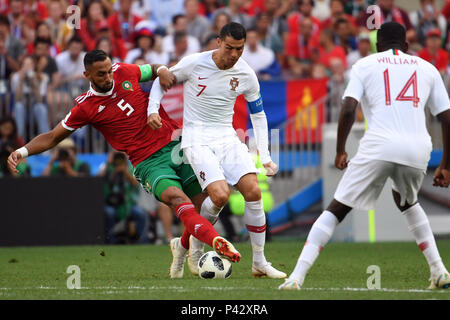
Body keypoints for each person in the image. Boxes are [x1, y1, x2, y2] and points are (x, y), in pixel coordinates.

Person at [7, 50, 241, 279]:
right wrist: (21, 151)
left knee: (203, 207)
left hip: (176, 145)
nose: (108, 77)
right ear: (87, 75)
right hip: (147, 162)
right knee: (176, 199)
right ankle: (217, 242)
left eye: (109, 71)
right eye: (101, 74)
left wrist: (162, 71)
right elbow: (52, 136)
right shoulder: (85, 107)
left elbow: (154, 68)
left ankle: (181, 248)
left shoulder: (123, 71)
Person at [279, 22, 450, 290]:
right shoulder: (427, 68)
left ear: (377, 46)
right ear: (406, 47)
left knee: (337, 208)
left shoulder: (365, 64)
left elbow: (348, 108)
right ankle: (439, 270)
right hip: (418, 149)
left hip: (379, 145)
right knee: (407, 201)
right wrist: (446, 165)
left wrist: (340, 149)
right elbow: (446, 118)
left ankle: (296, 277)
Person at [148, 22, 286, 279]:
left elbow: (258, 113)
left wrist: (265, 155)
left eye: (240, 49)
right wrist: (152, 109)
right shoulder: (195, 63)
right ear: (219, 42)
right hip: (196, 139)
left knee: (253, 191)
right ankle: (195, 247)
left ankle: (259, 262)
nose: (234, 55)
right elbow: (161, 80)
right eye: (230, 48)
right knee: (220, 195)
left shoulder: (246, 73)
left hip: (228, 137)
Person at [99, 151, 148, 244]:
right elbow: (98, 179)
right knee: (109, 213)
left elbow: (136, 184)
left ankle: (142, 242)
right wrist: (108, 164)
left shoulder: (129, 168)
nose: (118, 161)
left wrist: (125, 172)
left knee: (141, 213)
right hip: (111, 203)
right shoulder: (107, 168)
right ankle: (110, 241)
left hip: (128, 203)